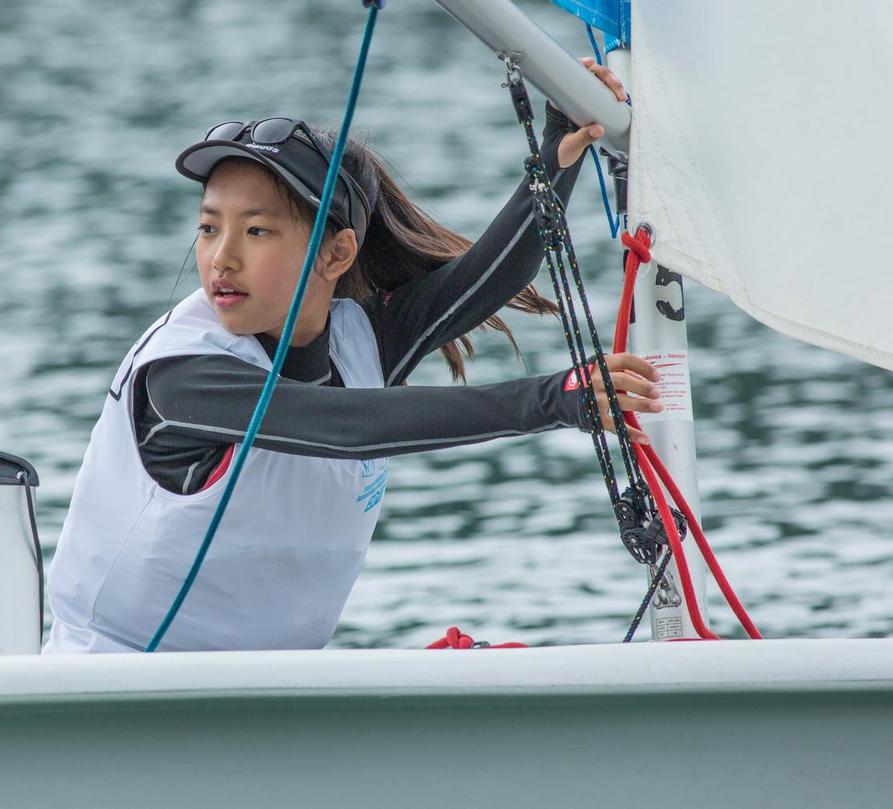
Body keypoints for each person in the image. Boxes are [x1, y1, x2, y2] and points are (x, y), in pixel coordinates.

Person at [43, 60, 662, 653]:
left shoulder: (362, 340)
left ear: (335, 255)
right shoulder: (180, 376)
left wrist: (559, 146)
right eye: (209, 228)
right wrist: (552, 400)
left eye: (255, 231)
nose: (220, 259)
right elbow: (348, 428)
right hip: (114, 684)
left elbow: (485, 279)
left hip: (270, 696)